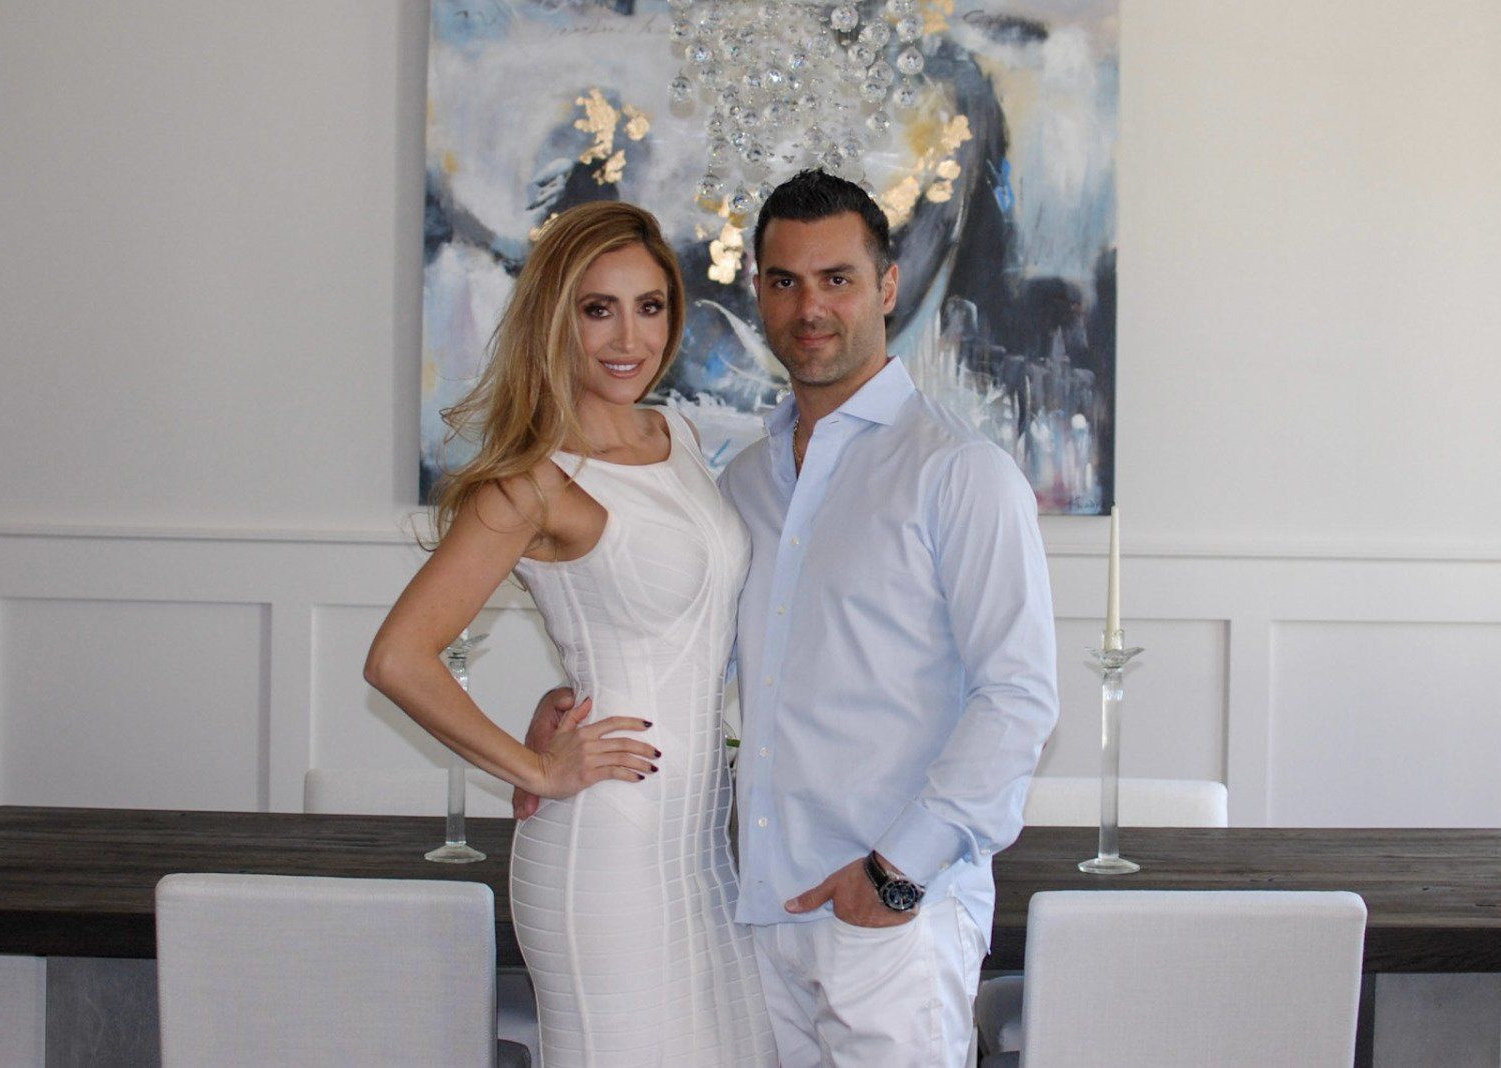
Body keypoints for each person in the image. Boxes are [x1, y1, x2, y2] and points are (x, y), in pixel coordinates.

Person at [522, 171, 1059, 1066]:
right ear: (758, 293)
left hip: (894, 916)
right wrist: (565, 706)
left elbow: (1019, 699)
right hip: (761, 914)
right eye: (784, 281)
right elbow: (695, 655)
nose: (809, 307)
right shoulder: (742, 482)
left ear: (887, 288)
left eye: (837, 279)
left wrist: (895, 877)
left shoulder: (959, 476)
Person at [365, 200, 775, 1067]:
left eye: (650, 305)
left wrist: (560, 697)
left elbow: (677, 625)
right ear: (558, 318)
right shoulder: (531, 483)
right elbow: (399, 658)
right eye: (599, 309)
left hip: (705, 848)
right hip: (605, 854)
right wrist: (538, 768)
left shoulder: (681, 435)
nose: (629, 337)